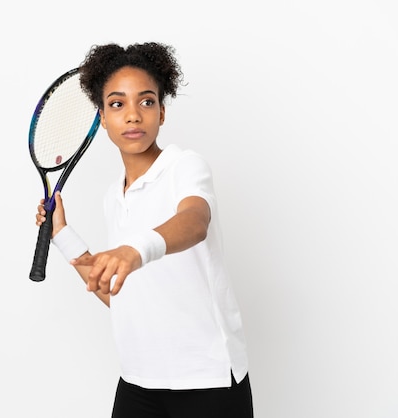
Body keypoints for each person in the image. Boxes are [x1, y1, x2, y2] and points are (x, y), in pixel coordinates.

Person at [35, 42, 253, 418]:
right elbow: (123, 297)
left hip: (208, 382)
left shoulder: (184, 167)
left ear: (162, 113)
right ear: (102, 117)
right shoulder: (112, 197)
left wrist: (133, 250)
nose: (133, 115)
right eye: (118, 104)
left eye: (147, 102)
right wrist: (62, 236)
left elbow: (195, 222)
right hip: (138, 382)